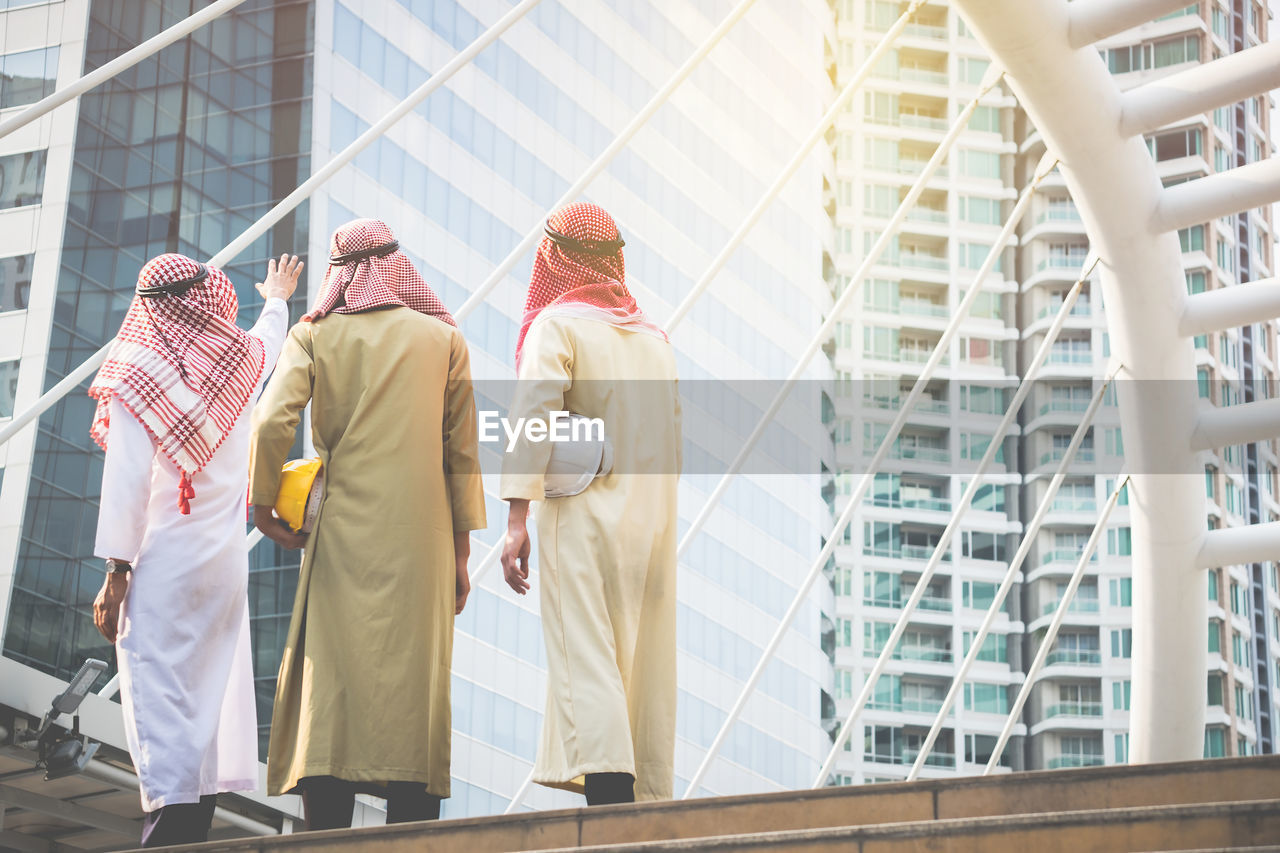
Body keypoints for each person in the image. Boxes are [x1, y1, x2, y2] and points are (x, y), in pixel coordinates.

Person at [247, 218, 485, 829]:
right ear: (396, 265)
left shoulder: (313, 335)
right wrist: (460, 557)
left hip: (340, 532)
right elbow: (462, 455)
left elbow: (273, 420)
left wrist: (262, 505)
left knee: (332, 682)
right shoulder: (444, 339)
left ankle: (325, 832)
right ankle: (411, 834)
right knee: (413, 685)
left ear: (340, 272)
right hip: (425, 543)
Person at [91, 252, 303, 847]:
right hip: (223, 571)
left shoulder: (140, 372)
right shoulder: (240, 361)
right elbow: (267, 335)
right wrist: (279, 295)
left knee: (162, 731)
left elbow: (128, 483)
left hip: (163, 571)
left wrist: (115, 574)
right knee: (203, 725)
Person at [500, 202, 681, 805]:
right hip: (648, 525)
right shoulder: (656, 339)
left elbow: (532, 418)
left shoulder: (558, 325)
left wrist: (517, 518)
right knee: (640, 662)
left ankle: (610, 803)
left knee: (588, 651)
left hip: (581, 517)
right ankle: (642, 790)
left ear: (553, 257)